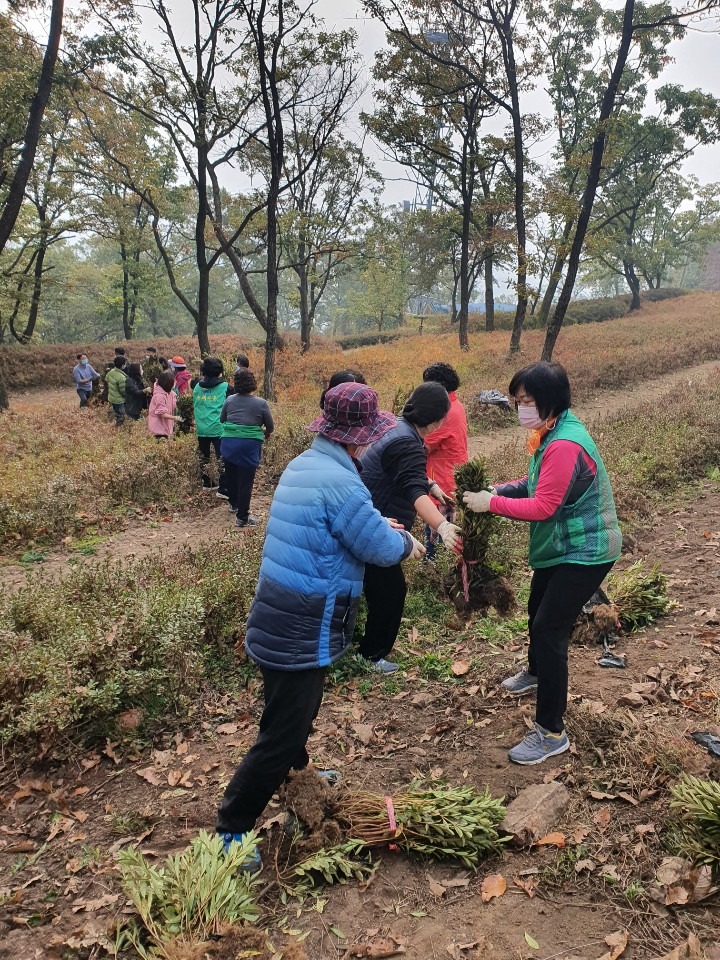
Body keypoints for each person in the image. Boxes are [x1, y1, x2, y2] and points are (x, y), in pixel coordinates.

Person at [215, 382, 426, 865]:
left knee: (291, 713)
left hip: (275, 609)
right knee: (282, 733)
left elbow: (342, 524)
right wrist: (404, 543)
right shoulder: (343, 482)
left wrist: (378, 523)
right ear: (359, 438)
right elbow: (377, 547)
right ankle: (231, 829)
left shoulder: (304, 465)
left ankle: (299, 778)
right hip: (303, 622)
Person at [462, 361, 622, 765]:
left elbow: (544, 506)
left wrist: (491, 504)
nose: (521, 408)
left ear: (550, 400)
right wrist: (497, 490)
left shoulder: (565, 443)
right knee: (537, 610)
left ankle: (551, 732)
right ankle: (536, 673)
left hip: (586, 550)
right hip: (562, 547)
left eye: (527, 401)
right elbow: (536, 485)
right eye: (517, 401)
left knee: (550, 628)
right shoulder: (550, 431)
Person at [358, 381, 462, 673]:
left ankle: (360, 647)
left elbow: (404, 473)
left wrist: (430, 484)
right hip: (377, 523)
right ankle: (371, 656)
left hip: (368, 518)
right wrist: (442, 526)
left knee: (375, 587)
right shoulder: (407, 441)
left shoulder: (397, 427)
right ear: (438, 420)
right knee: (390, 591)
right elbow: (413, 492)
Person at [422, 362, 468, 558]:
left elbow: (424, 446)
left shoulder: (444, 413)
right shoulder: (456, 405)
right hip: (452, 477)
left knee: (437, 536)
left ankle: (434, 569)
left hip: (442, 482)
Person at [220, 369, 274, 528]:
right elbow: (270, 427)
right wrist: (264, 433)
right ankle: (242, 517)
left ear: (236, 384)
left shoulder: (229, 400)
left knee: (231, 476)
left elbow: (222, 419)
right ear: (252, 383)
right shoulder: (261, 403)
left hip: (228, 444)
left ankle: (233, 504)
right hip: (248, 446)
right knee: (245, 481)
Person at [192, 356, 230, 496]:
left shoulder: (197, 387)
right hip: (219, 428)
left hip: (201, 427)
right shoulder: (226, 387)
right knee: (222, 458)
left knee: (204, 456)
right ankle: (224, 488)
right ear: (220, 372)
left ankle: (206, 482)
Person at [147, 369, 182, 438]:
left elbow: (175, 404)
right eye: (174, 381)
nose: (176, 382)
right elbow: (162, 414)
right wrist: (175, 418)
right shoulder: (159, 396)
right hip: (158, 429)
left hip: (166, 426)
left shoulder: (171, 393)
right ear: (168, 383)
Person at [106, 356, 128, 426]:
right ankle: (118, 428)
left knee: (115, 414)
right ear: (122, 365)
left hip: (111, 397)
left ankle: (115, 426)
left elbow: (106, 379)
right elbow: (123, 391)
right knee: (121, 416)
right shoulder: (122, 377)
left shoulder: (111, 372)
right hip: (119, 400)